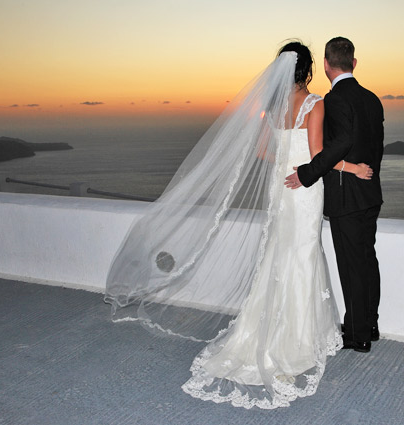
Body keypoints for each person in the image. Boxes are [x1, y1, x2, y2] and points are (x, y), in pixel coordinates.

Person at [106, 41, 371, 409]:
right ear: (309, 70)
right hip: (304, 190)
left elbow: (263, 151)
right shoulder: (315, 104)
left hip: (281, 188)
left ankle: (272, 333)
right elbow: (317, 157)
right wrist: (352, 167)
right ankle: (296, 341)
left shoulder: (274, 109)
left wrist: (284, 159)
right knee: (302, 255)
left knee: (279, 256)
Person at [285, 37, 385, 354]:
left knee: (352, 268)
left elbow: (339, 144)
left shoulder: (336, 99)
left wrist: (306, 173)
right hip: (370, 193)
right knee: (367, 263)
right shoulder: (372, 99)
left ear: (327, 65)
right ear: (353, 63)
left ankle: (357, 336)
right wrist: (364, 173)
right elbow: (376, 147)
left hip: (347, 198)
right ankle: (370, 323)